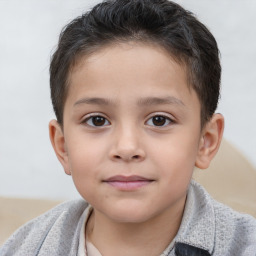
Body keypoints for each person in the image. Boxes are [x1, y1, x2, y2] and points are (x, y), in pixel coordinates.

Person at [1, 0, 256, 255]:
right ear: (62, 145)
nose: (126, 147)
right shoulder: (24, 248)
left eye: (159, 120)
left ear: (206, 141)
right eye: (97, 120)